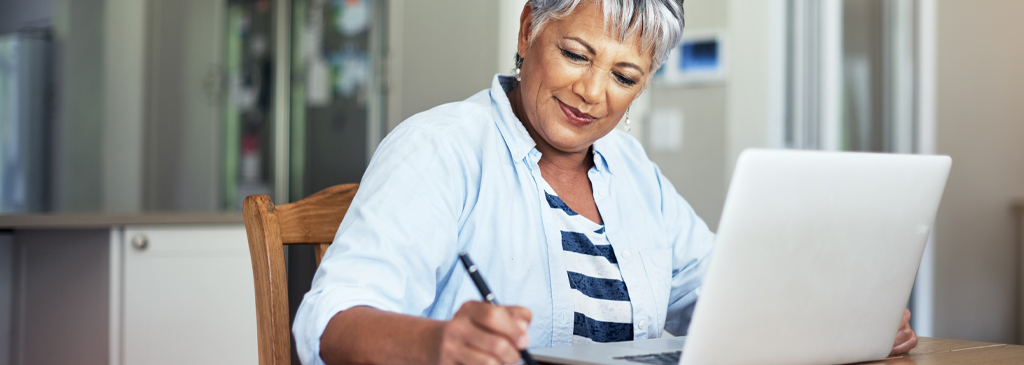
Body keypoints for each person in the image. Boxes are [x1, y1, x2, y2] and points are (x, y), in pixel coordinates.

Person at [293, 1, 919, 364]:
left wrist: (842, 318)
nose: (592, 94)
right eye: (575, 54)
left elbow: (717, 295)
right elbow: (328, 321)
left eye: (625, 76)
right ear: (527, 29)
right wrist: (440, 344)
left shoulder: (631, 169)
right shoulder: (441, 148)